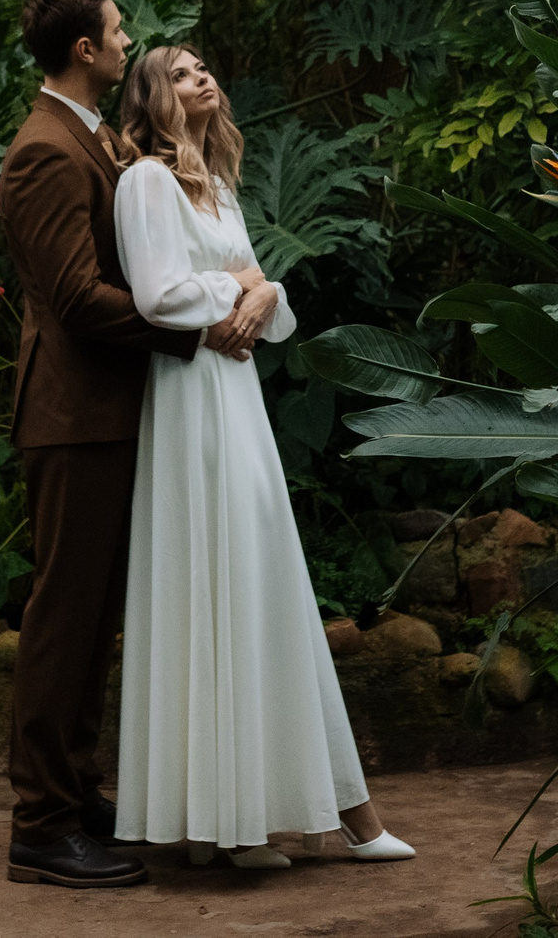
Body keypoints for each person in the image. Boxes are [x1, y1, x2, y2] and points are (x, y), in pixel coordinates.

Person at [111, 44, 415, 868]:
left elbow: (260, 300)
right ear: (150, 96)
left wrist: (265, 292)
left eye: (204, 67)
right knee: (218, 578)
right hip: (191, 399)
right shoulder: (144, 182)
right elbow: (158, 293)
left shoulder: (217, 186)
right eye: (179, 72)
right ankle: (234, 824)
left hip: (237, 395)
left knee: (260, 578)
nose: (201, 77)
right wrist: (238, 290)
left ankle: (282, 814)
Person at [0, 0, 258, 889]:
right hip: (73, 415)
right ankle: (41, 822)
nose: (123, 40)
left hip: (112, 410)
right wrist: (194, 324)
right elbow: (73, 296)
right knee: (65, 617)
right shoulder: (43, 151)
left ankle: (76, 792)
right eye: (115, 31)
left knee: (97, 612)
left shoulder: (93, 138)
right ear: (84, 50)